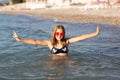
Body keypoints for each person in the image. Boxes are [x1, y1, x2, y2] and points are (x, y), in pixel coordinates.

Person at [13, 24, 100, 57]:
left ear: (63, 34)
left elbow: (81, 37)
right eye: (57, 34)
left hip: (66, 63)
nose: (59, 36)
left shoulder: (66, 42)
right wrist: (20, 40)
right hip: (54, 64)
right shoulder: (50, 43)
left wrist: (95, 34)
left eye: (61, 34)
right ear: (54, 34)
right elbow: (35, 41)